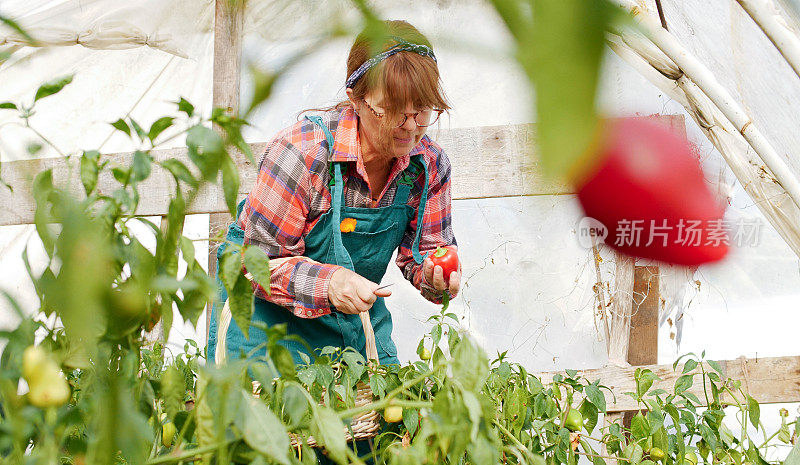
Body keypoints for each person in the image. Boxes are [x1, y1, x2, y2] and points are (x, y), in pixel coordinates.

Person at [207, 20, 460, 367]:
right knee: (273, 415)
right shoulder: (303, 153)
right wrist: (330, 283)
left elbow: (428, 253)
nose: (411, 126)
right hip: (264, 326)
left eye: (422, 110)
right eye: (392, 109)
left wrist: (436, 276)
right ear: (355, 97)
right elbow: (255, 266)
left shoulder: (428, 166)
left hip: (353, 319)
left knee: (385, 409)